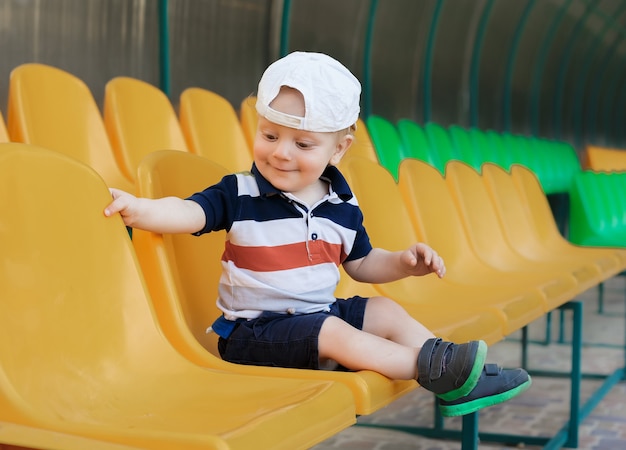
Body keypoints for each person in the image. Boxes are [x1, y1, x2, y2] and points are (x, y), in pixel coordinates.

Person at [104, 51, 530, 417]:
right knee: (332, 333)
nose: (280, 152)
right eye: (269, 135)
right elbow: (189, 211)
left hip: (315, 317)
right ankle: (430, 366)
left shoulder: (342, 207)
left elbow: (361, 264)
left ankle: (452, 372)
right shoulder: (240, 192)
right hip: (254, 334)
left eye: (303, 144)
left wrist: (402, 262)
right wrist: (140, 209)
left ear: (338, 149)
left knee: (383, 311)